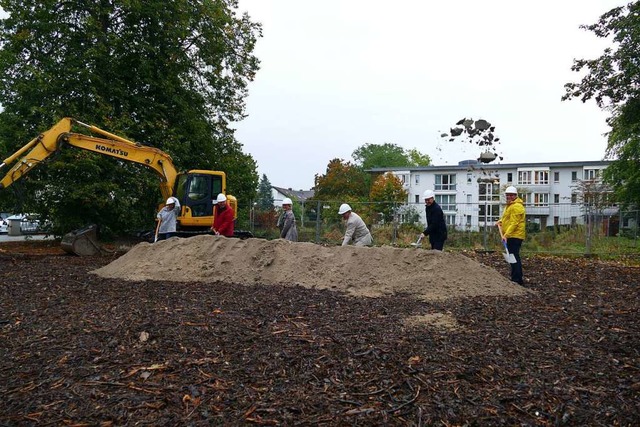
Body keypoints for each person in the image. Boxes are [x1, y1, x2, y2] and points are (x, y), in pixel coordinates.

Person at [496, 186, 526, 285]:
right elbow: (507, 219)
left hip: (515, 236)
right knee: (512, 257)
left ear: (515, 195)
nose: (508, 196)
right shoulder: (510, 205)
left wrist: (506, 235)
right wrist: (500, 221)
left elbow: (514, 223)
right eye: (507, 195)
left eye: (510, 195)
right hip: (511, 235)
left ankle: (517, 279)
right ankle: (515, 278)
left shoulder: (517, 206)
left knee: (514, 257)